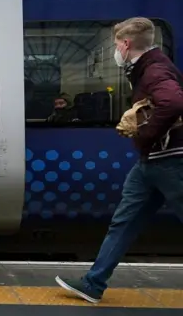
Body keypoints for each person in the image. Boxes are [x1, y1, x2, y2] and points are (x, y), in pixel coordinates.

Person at [55, 17, 183, 303]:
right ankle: (93, 283)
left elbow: (173, 102)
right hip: (150, 163)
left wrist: (147, 134)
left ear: (126, 44)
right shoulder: (147, 69)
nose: (115, 50)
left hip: (171, 161)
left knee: (125, 222)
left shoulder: (155, 70)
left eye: (115, 44)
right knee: (123, 222)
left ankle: (93, 282)